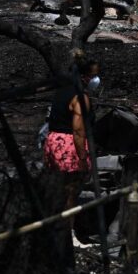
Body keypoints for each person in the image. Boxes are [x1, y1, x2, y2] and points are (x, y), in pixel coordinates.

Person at [44, 58, 100, 217]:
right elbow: (78, 130)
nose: (96, 79)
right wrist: (83, 157)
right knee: (71, 191)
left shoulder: (61, 92)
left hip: (53, 141)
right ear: (84, 76)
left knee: (57, 189)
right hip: (69, 146)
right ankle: (66, 228)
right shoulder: (80, 98)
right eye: (93, 75)